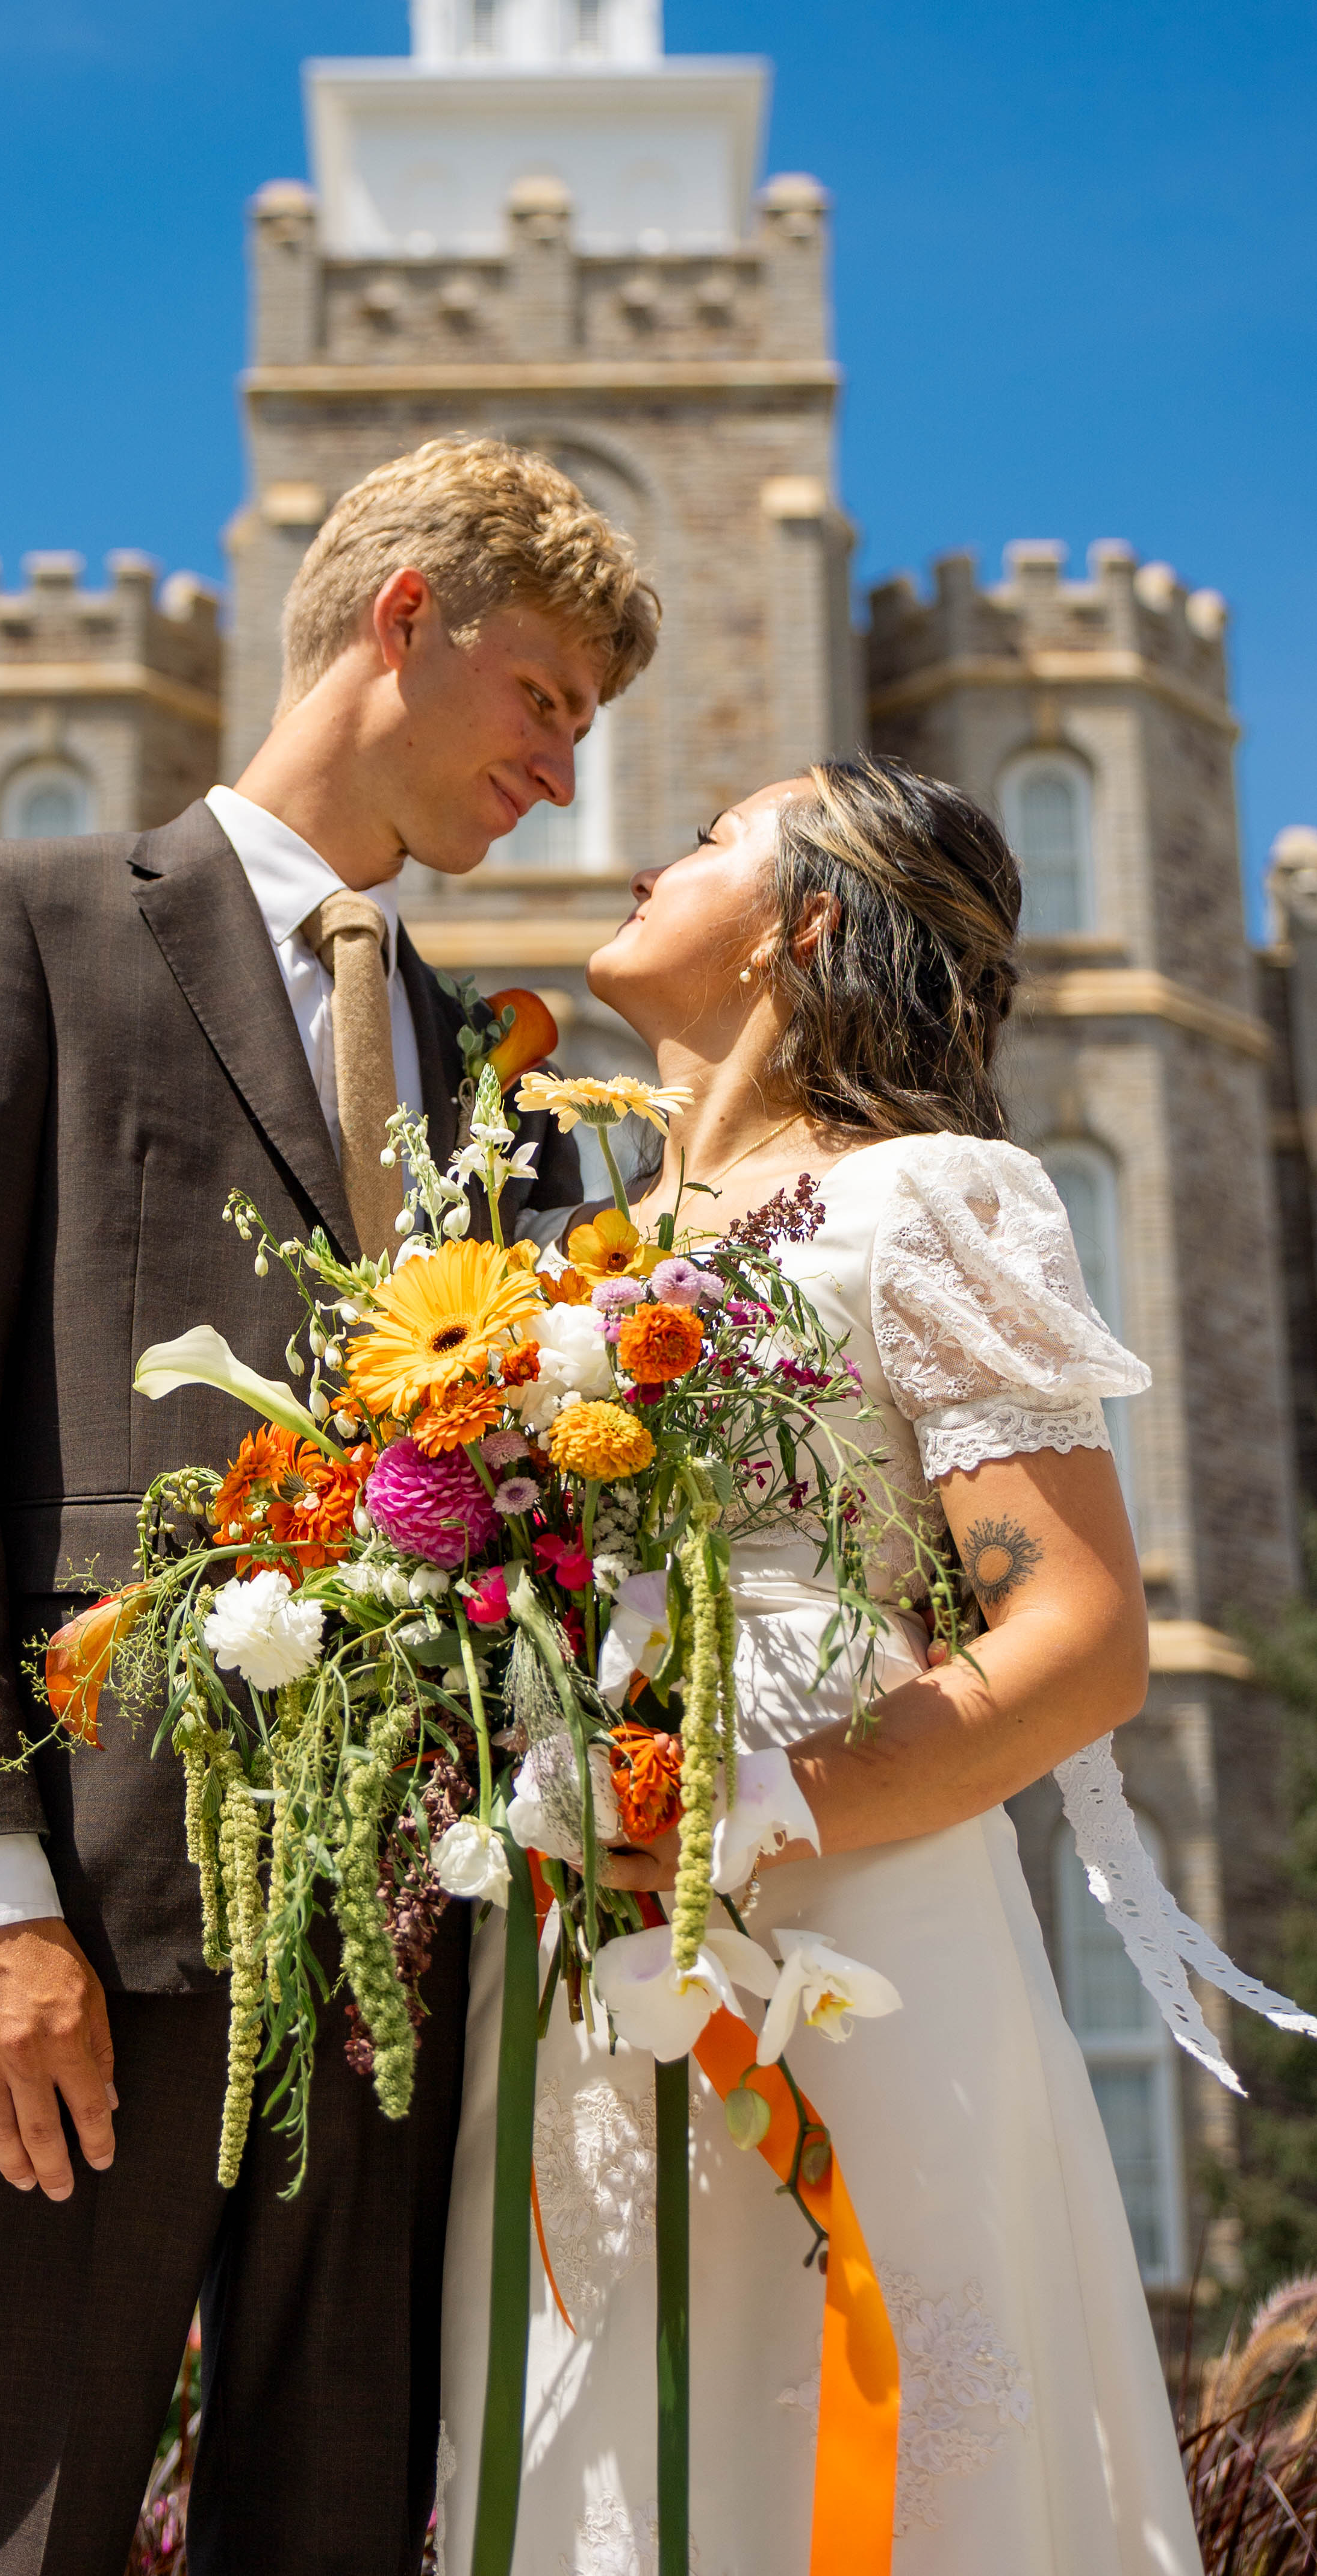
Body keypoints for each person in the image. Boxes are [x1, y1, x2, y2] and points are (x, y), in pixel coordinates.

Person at [0, 435, 657, 2576]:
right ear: (401, 620)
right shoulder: (27, 918)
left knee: (341, 2531)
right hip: (72, 1910)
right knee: (7, 2535)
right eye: (545, 698)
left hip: (401, 1957)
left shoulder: (489, 1067)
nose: (559, 766)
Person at [437, 758, 1206, 2573]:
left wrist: (757, 1806)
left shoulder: (930, 1199)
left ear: (803, 925)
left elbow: (1081, 1636)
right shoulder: (567, 1255)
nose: (641, 852)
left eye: (703, 840)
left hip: (852, 1947)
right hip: (570, 1964)